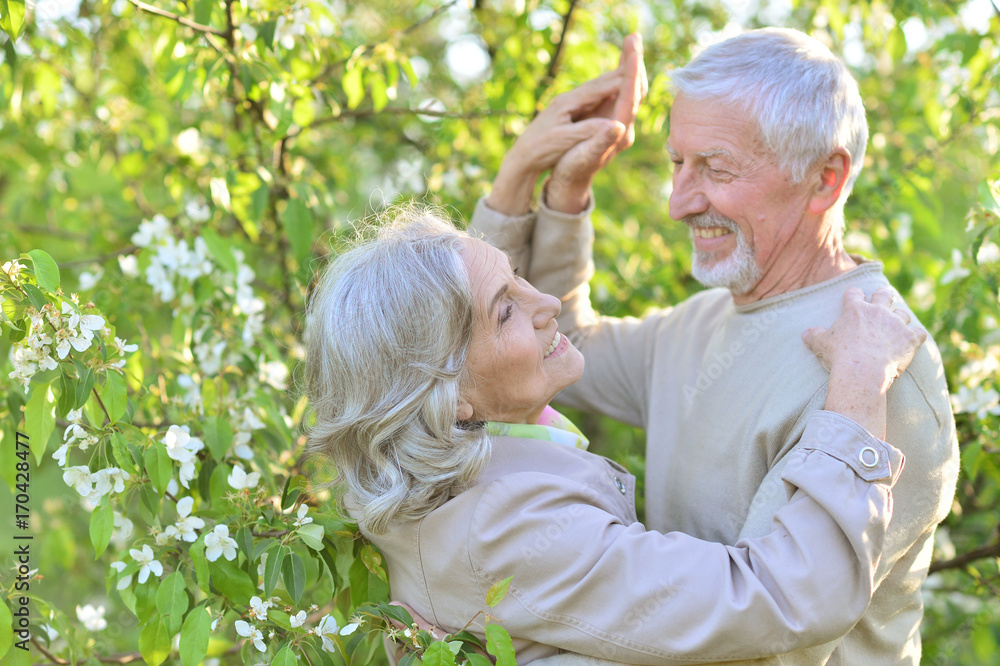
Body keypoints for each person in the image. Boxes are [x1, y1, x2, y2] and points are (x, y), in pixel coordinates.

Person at [470, 28, 960, 665]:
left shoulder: (877, 370)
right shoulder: (704, 321)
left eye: (717, 168)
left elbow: (763, 632)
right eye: (678, 163)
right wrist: (549, 190)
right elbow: (567, 348)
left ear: (824, 179)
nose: (679, 203)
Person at [303, 206, 925, 664]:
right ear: (448, 393)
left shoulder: (427, 466)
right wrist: (858, 389)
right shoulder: (506, 524)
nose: (543, 300)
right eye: (506, 311)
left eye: (517, 275)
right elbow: (787, 595)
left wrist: (547, 184)